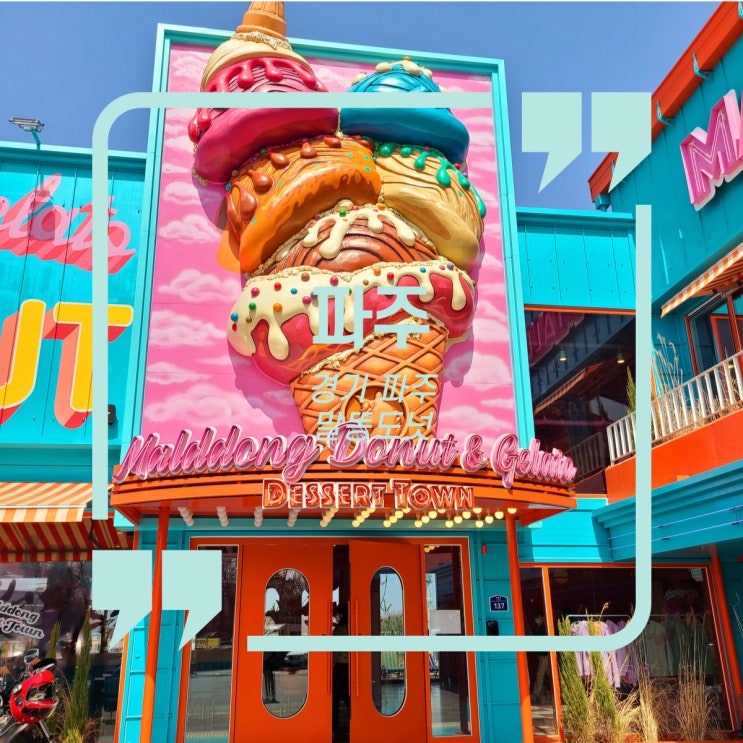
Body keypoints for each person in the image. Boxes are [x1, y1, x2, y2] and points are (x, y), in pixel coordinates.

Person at [332, 604, 350, 743]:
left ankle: (334, 728)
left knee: (335, 698)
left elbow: (336, 651)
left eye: (338, 613)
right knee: (350, 698)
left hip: (340, 667)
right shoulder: (353, 627)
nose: (336, 616)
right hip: (351, 667)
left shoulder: (339, 629)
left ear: (342, 614)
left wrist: (331, 665)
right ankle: (352, 725)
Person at [530, 611, 551, 705]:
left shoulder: (544, 628)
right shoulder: (539, 627)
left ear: (543, 618)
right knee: (549, 674)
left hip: (544, 656)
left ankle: (536, 693)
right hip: (541, 655)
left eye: (538, 617)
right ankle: (560, 688)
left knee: (540, 674)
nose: (537, 619)